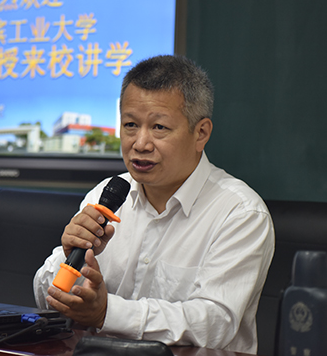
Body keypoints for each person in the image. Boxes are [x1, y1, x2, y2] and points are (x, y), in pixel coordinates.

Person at [33, 55, 275, 353]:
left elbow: (215, 322)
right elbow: (45, 296)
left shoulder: (239, 212)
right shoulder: (105, 196)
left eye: (159, 127)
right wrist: (70, 256)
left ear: (201, 133)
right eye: (130, 125)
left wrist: (107, 312)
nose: (140, 143)